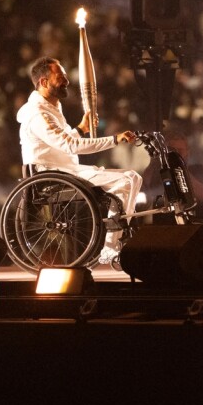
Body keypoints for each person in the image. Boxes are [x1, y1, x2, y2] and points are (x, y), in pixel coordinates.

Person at [17, 56, 140, 263]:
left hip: (67, 169)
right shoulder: (37, 113)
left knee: (133, 177)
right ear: (44, 82)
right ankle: (111, 247)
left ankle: (118, 236)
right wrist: (114, 139)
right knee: (126, 180)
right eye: (60, 77)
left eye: (65, 76)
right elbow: (71, 146)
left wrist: (81, 129)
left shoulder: (52, 107)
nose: (66, 80)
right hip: (50, 175)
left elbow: (62, 142)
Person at [138, 128, 203, 224]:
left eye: (180, 150)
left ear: (187, 151)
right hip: (164, 229)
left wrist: (179, 167)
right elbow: (144, 195)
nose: (176, 153)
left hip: (194, 227)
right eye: (173, 150)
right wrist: (154, 163)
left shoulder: (198, 170)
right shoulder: (158, 173)